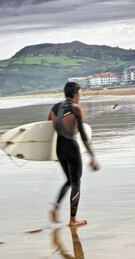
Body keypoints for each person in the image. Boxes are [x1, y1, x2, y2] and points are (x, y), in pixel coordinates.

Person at [48, 82, 100, 226]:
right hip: (71, 148)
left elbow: (48, 125)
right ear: (76, 94)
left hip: (59, 149)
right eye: (80, 93)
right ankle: (73, 220)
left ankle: (55, 208)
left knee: (69, 181)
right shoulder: (76, 108)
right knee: (76, 183)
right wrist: (92, 156)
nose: (80, 96)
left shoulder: (55, 107)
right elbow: (83, 135)